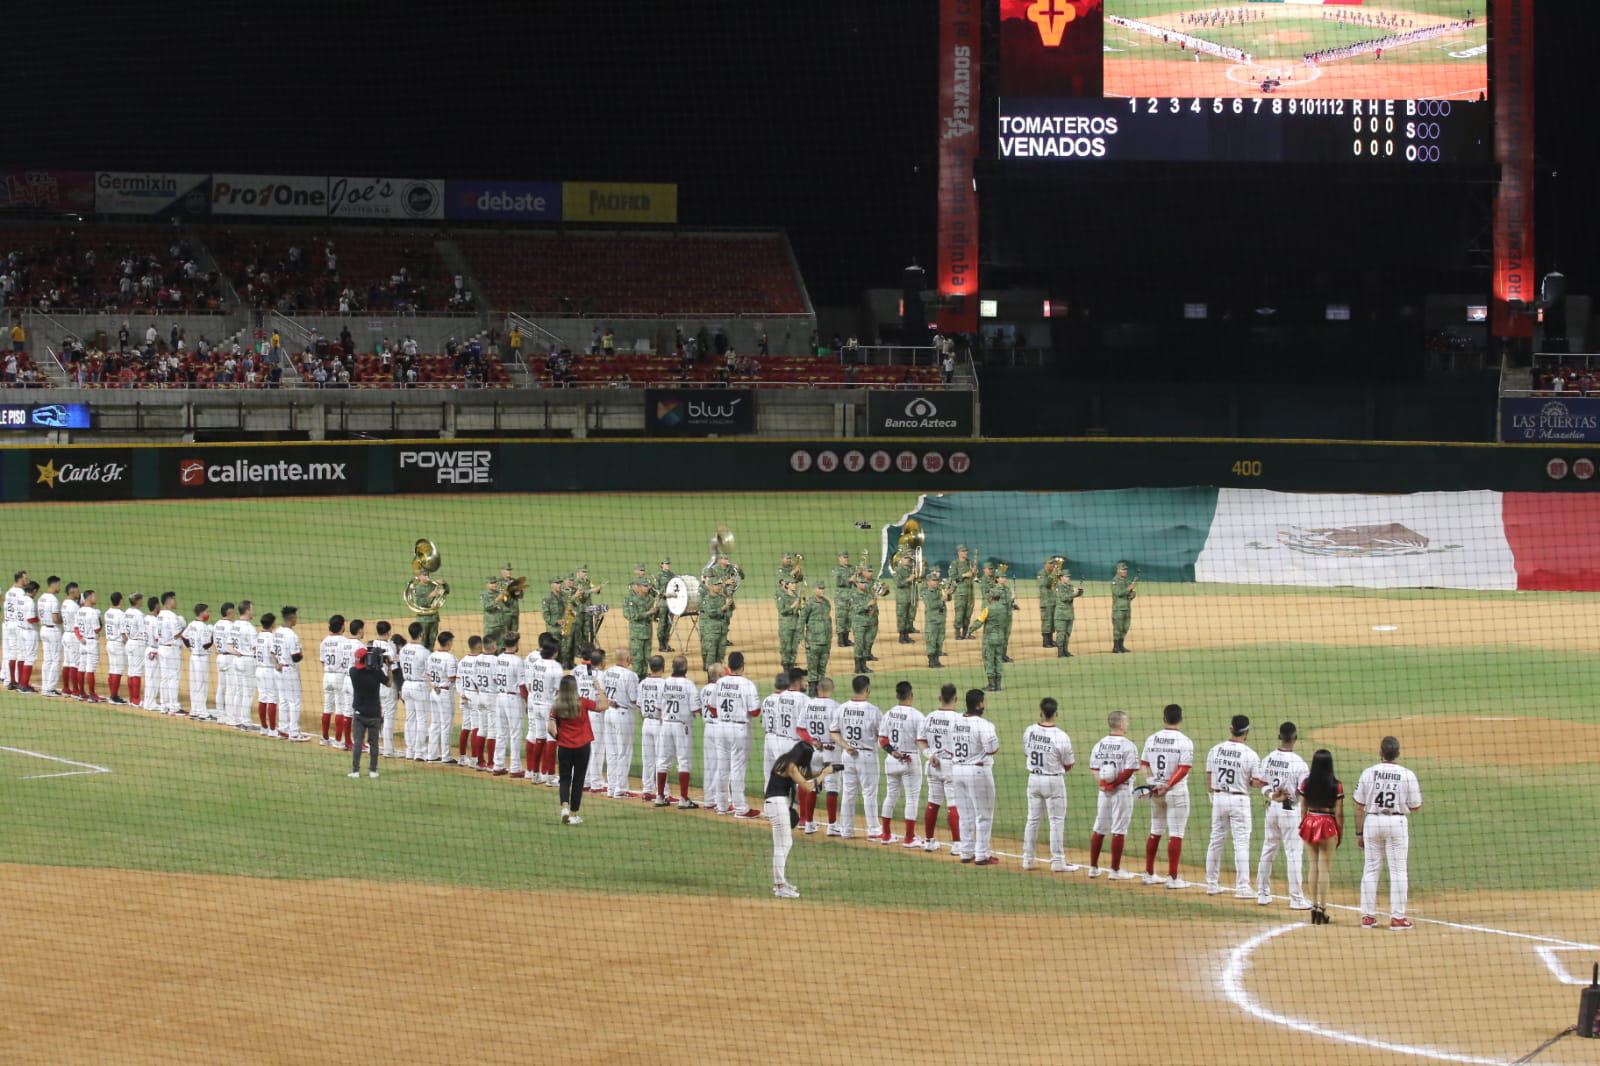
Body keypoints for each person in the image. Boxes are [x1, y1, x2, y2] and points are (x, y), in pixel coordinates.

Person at [1355, 736, 1423, 931]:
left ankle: (1368, 916)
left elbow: (1359, 806)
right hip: (1396, 822)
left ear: (1380, 752)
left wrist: (1359, 833)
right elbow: (1416, 806)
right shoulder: (1407, 774)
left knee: (1371, 868)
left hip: (1372, 821)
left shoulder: (1369, 772)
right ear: (1398, 754)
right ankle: (1397, 918)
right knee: (1398, 871)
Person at [765, 735, 835, 898]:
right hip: (777, 804)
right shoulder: (790, 766)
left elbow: (806, 777)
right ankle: (780, 886)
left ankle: (780, 884)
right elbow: (808, 786)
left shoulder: (785, 760)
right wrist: (824, 774)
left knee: (780, 845)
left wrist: (824, 771)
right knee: (785, 844)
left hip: (774, 803)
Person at [1253, 721, 1312, 911]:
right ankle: (1296, 898)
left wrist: (1271, 795)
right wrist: (1305, 817)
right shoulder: (1299, 763)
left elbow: (1259, 783)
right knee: (1294, 854)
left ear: (1280, 736)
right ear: (1295, 738)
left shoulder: (1268, 758)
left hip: (1272, 808)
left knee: (1269, 848)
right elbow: (1304, 793)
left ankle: (1262, 893)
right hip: (1290, 810)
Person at [1139, 703, 1195, 888]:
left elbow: (1144, 764)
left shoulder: (1152, 739)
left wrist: (1153, 784)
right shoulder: (1184, 741)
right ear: (1180, 719)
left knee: (1155, 830)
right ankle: (1172, 878)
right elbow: (1184, 768)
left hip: (1156, 792)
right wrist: (1168, 785)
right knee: (1176, 833)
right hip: (1176, 792)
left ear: (1164, 718)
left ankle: (1148, 873)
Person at [1205, 715, 1260, 898]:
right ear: (1247, 732)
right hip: (1239, 800)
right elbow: (1256, 782)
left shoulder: (1215, 750)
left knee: (1215, 840)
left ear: (1231, 729)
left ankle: (1212, 884)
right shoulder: (1250, 754)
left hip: (1219, 798)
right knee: (1241, 843)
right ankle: (1243, 888)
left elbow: (1209, 777)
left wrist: (1213, 796)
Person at [1021, 698, 1075, 872]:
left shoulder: (1029, 731)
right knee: (1056, 821)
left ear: (1041, 712)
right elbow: (1069, 765)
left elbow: (1026, 753)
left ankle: (1028, 860)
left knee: (1032, 820)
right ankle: (1058, 861)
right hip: (1053, 780)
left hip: (1033, 779)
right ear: (1056, 714)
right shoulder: (1061, 736)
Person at [949, 688, 1001, 865]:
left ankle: (965, 852)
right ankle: (982, 855)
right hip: (977, 772)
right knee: (984, 815)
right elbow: (992, 749)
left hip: (956, 770)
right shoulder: (984, 725)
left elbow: (949, 749)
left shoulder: (954, 721)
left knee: (965, 815)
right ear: (979, 704)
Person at [1087, 710, 1140, 879]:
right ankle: (1115, 871)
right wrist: (1114, 784)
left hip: (1104, 792)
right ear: (1121, 724)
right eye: (1126, 721)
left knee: (1099, 828)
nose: (1128, 724)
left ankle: (1093, 868)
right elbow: (1129, 770)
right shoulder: (1128, 745)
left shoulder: (1099, 744)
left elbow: (1094, 769)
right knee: (1119, 830)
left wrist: (1104, 783)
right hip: (1122, 791)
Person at [549, 674, 607, 824]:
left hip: (564, 747)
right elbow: (603, 706)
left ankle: (564, 808)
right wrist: (599, 689)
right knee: (578, 779)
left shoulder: (557, 704)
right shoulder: (583, 702)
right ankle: (574, 815)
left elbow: (550, 728)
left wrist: (559, 737)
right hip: (582, 747)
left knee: (565, 778)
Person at [831, 674, 881, 840]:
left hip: (847, 755)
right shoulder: (873, 710)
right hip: (866, 755)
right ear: (867, 689)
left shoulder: (842, 708)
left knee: (848, 793)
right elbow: (882, 736)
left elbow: (834, 732)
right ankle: (873, 829)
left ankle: (846, 831)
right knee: (869, 793)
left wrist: (846, 746)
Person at [710, 652, 761, 816]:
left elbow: (712, 707)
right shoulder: (747, 684)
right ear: (742, 665)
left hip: (721, 727)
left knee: (722, 767)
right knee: (738, 769)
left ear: (728, 666)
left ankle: (722, 806)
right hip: (739, 730)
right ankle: (740, 808)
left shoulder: (720, 682)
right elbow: (754, 712)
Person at [876, 680, 926, 847]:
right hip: (910, 760)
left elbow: (882, 740)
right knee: (912, 799)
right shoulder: (917, 716)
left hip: (891, 759)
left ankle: (886, 835)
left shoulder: (888, 713)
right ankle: (910, 838)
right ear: (911, 695)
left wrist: (893, 752)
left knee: (890, 796)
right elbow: (921, 741)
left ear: (897, 695)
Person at [1298, 749, 1345, 925]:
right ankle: (1322, 909)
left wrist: (1303, 824)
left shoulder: (1306, 783)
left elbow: (1302, 807)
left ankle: (1313, 906)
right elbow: (1338, 813)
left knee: (1313, 866)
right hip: (1327, 824)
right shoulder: (1336, 785)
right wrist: (1339, 831)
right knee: (1324, 868)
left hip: (1310, 821)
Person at [916, 683, 962, 853]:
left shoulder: (929, 717)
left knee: (933, 803)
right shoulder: (959, 719)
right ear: (955, 699)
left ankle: (928, 841)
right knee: (953, 804)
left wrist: (929, 755)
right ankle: (957, 845)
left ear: (940, 698)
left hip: (933, 764)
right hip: (951, 766)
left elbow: (920, 740)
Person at [653, 655, 701, 809]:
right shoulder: (689, 684)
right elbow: (696, 710)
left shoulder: (664, 683)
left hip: (666, 725)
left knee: (662, 761)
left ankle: (660, 796)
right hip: (682, 726)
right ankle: (683, 799)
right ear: (685, 668)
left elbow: (658, 708)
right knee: (684, 761)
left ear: (672, 667)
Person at [798, 676, 840, 833]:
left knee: (813, 786)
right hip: (831, 751)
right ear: (831, 689)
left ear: (817, 689)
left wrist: (813, 741)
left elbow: (800, 729)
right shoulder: (835, 706)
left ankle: (808, 824)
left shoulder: (808, 705)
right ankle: (832, 826)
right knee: (832, 787)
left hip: (814, 751)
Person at [600, 649, 640, 797]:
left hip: (608, 713)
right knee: (624, 752)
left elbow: (602, 692)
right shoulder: (630, 675)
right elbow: (634, 698)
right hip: (623, 714)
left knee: (611, 752)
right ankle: (621, 789)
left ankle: (611, 788)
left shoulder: (608, 672)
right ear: (628, 659)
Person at [347, 645, 388, 779]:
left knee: (358, 742)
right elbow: (389, 683)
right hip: (375, 714)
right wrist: (385, 666)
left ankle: (355, 771)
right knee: (374, 743)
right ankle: (373, 771)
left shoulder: (353, 672)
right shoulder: (377, 674)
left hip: (359, 713)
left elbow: (357, 667)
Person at [425, 631, 459, 764]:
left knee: (435, 723)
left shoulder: (432, 656)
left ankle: (432, 754)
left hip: (434, 691)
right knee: (446, 725)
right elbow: (451, 677)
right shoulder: (450, 658)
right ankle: (446, 756)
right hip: (445, 693)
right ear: (449, 642)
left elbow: (428, 675)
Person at [398, 622, 430, 760]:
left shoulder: (404, 649)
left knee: (410, 718)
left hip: (406, 685)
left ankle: (410, 750)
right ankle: (420, 751)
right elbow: (429, 672)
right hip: (419, 686)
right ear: (421, 634)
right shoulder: (424, 652)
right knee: (422, 719)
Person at [181, 604, 214, 720]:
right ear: (202, 613)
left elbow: (184, 637)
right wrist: (212, 636)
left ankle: (194, 710)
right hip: (202, 658)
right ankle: (202, 712)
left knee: (194, 684)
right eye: (207, 611)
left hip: (193, 657)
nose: (209, 614)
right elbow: (206, 645)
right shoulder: (203, 627)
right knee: (202, 685)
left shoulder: (192, 624)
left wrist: (190, 648)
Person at [802, 581, 832, 691]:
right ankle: (812, 694)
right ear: (814, 589)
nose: (822, 590)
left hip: (825, 643)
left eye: (823, 588)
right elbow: (802, 621)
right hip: (813, 642)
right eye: (819, 588)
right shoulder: (809, 603)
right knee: (812, 670)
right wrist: (802, 639)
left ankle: (820, 693)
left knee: (822, 670)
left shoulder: (826, 603)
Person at [1052, 566, 1083, 657]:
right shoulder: (1058, 587)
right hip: (1061, 615)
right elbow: (1064, 597)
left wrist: (1080, 591)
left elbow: (1075, 595)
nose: (1068, 578)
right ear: (1061, 577)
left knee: (1067, 634)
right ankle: (1060, 653)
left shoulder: (1070, 586)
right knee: (1061, 634)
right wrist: (1074, 593)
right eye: (1066, 577)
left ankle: (1066, 651)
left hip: (1069, 614)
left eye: (1069, 577)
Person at [921, 572, 947, 668]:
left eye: (936, 580)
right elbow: (930, 606)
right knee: (931, 641)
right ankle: (931, 662)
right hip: (932, 622)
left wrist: (948, 592)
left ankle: (937, 661)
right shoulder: (925, 593)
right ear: (928, 582)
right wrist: (942, 600)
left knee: (939, 641)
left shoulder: (940, 591)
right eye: (933, 580)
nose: (935, 582)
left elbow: (948, 599)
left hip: (941, 621)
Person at [1110, 561, 1137, 653]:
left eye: (1126, 569)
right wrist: (1129, 588)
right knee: (1118, 628)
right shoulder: (1115, 581)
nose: (1125, 571)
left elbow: (1132, 592)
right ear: (1118, 570)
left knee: (1125, 627)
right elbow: (1118, 593)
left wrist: (1132, 594)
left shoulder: (1126, 580)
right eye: (1123, 569)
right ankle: (1115, 647)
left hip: (1127, 608)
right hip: (1118, 609)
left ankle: (1121, 646)